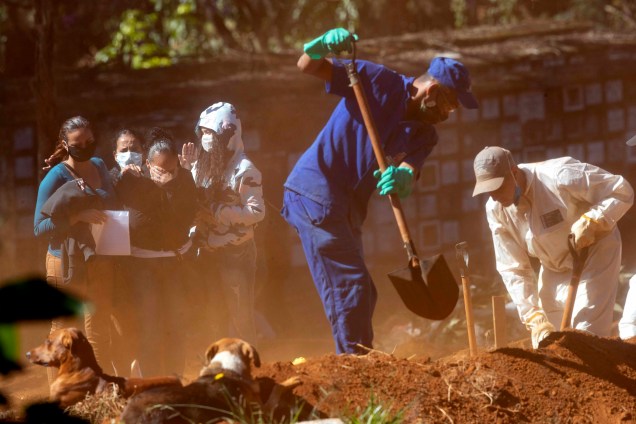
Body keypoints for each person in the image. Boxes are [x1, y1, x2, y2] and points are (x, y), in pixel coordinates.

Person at [281, 28, 479, 354]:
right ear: (431, 90)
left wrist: (402, 178)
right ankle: (354, 366)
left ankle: (357, 358)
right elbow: (307, 65)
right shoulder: (377, 81)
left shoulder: (424, 136)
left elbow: (409, 170)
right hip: (315, 192)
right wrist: (318, 46)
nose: (449, 113)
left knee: (365, 292)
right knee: (350, 287)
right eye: (450, 104)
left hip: (347, 206)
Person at [472, 146, 634, 348]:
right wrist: (533, 316)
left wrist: (594, 220)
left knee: (585, 335)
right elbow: (512, 267)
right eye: (488, 191)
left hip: (593, 257)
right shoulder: (496, 210)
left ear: (514, 173)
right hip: (552, 266)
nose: (494, 196)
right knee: (549, 341)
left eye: (497, 188)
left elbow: (621, 190)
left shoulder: (559, 175)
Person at [34, 116, 118, 381]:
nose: (85, 146)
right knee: (63, 332)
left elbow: (113, 201)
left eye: (89, 141)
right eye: (78, 143)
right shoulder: (55, 177)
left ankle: (98, 393)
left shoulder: (99, 165)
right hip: (64, 262)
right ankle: (59, 398)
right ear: (65, 145)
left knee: (99, 327)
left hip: (98, 257)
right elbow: (38, 227)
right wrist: (76, 217)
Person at [113, 127, 197, 376]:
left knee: (176, 326)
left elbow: (182, 222)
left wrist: (171, 187)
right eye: (161, 169)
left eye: (172, 169)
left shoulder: (184, 181)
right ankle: (151, 383)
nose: (167, 174)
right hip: (143, 268)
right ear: (148, 164)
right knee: (148, 327)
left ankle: (175, 380)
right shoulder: (131, 182)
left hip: (174, 265)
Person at [186, 102, 265, 346]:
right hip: (207, 253)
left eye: (211, 133)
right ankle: (219, 368)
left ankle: (249, 366)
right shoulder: (202, 165)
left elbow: (256, 212)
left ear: (228, 134)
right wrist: (186, 171)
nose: (206, 139)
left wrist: (220, 211)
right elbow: (195, 201)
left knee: (240, 316)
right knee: (212, 315)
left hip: (236, 254)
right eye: (203, 133)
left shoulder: (245, 169)